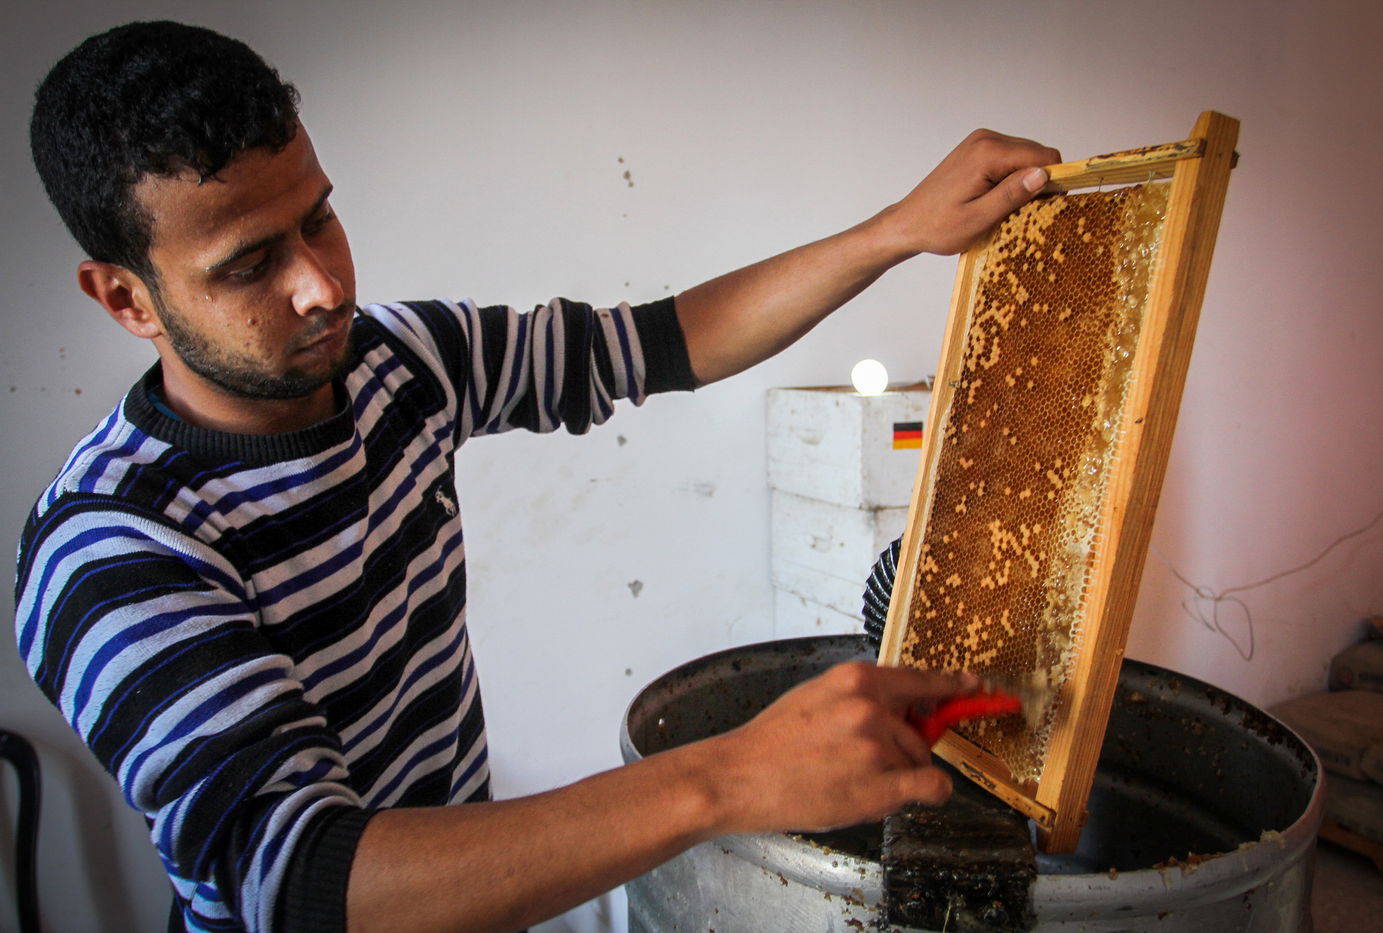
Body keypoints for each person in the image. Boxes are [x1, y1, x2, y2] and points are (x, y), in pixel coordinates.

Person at [14, 19, 1060, 933]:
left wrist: (897, 231)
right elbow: (311, 889)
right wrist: (727, 776)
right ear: (126, 298)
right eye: (248, 264)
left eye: (319, 218)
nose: (321, 285)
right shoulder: (113, 549)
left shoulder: (399, 364)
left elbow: (660, 342)